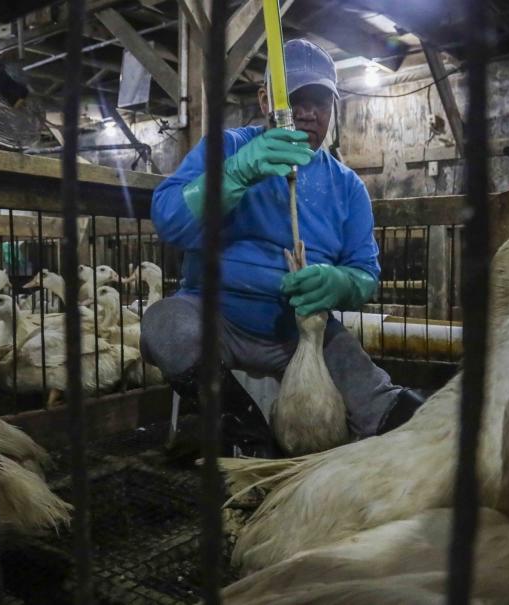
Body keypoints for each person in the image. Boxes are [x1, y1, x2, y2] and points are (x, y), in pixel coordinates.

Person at [142, 39, 424, 457]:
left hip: (303, 330)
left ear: (333, 109)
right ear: (264, 100)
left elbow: (366, 273)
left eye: (320, 102)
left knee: (372, 391)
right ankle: (246, 434)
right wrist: (236, 173)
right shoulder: (229, 149)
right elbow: (167, 218)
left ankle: (424, 442)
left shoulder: (347, 187)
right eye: (295, 100)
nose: (309, 113)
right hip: (217, 316)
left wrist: (340, 282)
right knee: (167, 324)